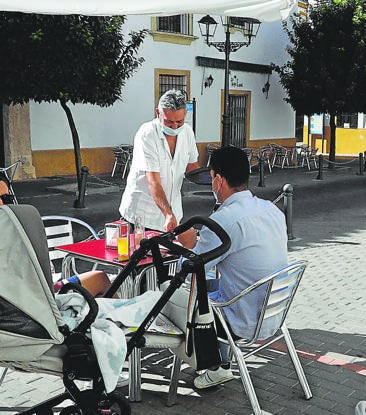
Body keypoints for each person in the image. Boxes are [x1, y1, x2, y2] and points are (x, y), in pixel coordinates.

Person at [180, 146, 289, 389]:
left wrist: (188, 245)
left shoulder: (223, 220)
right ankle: (221, 363)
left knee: (177, 296)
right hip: (275, 312)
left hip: (243, 321)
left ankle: (214, 367)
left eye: (212, 178)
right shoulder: (271, 209)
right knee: (215, 288)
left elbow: (190, 271)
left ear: (218, 180)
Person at [0, 168, 110, 297]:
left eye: (6, 198)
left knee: (99, 277)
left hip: (31, 293)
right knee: (100, 281)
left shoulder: (5, 226)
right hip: (23, 302)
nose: (1, 204)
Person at [120, 90, 201, 233]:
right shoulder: (147, 134)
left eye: (179, 122)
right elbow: (153, 181)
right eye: (169, 122)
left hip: (173, 213)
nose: (175, 127)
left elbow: (192, 166)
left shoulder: (187, 132)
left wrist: (216, 180)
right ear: (158, 113)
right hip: (142, 216)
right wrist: (168, 214)